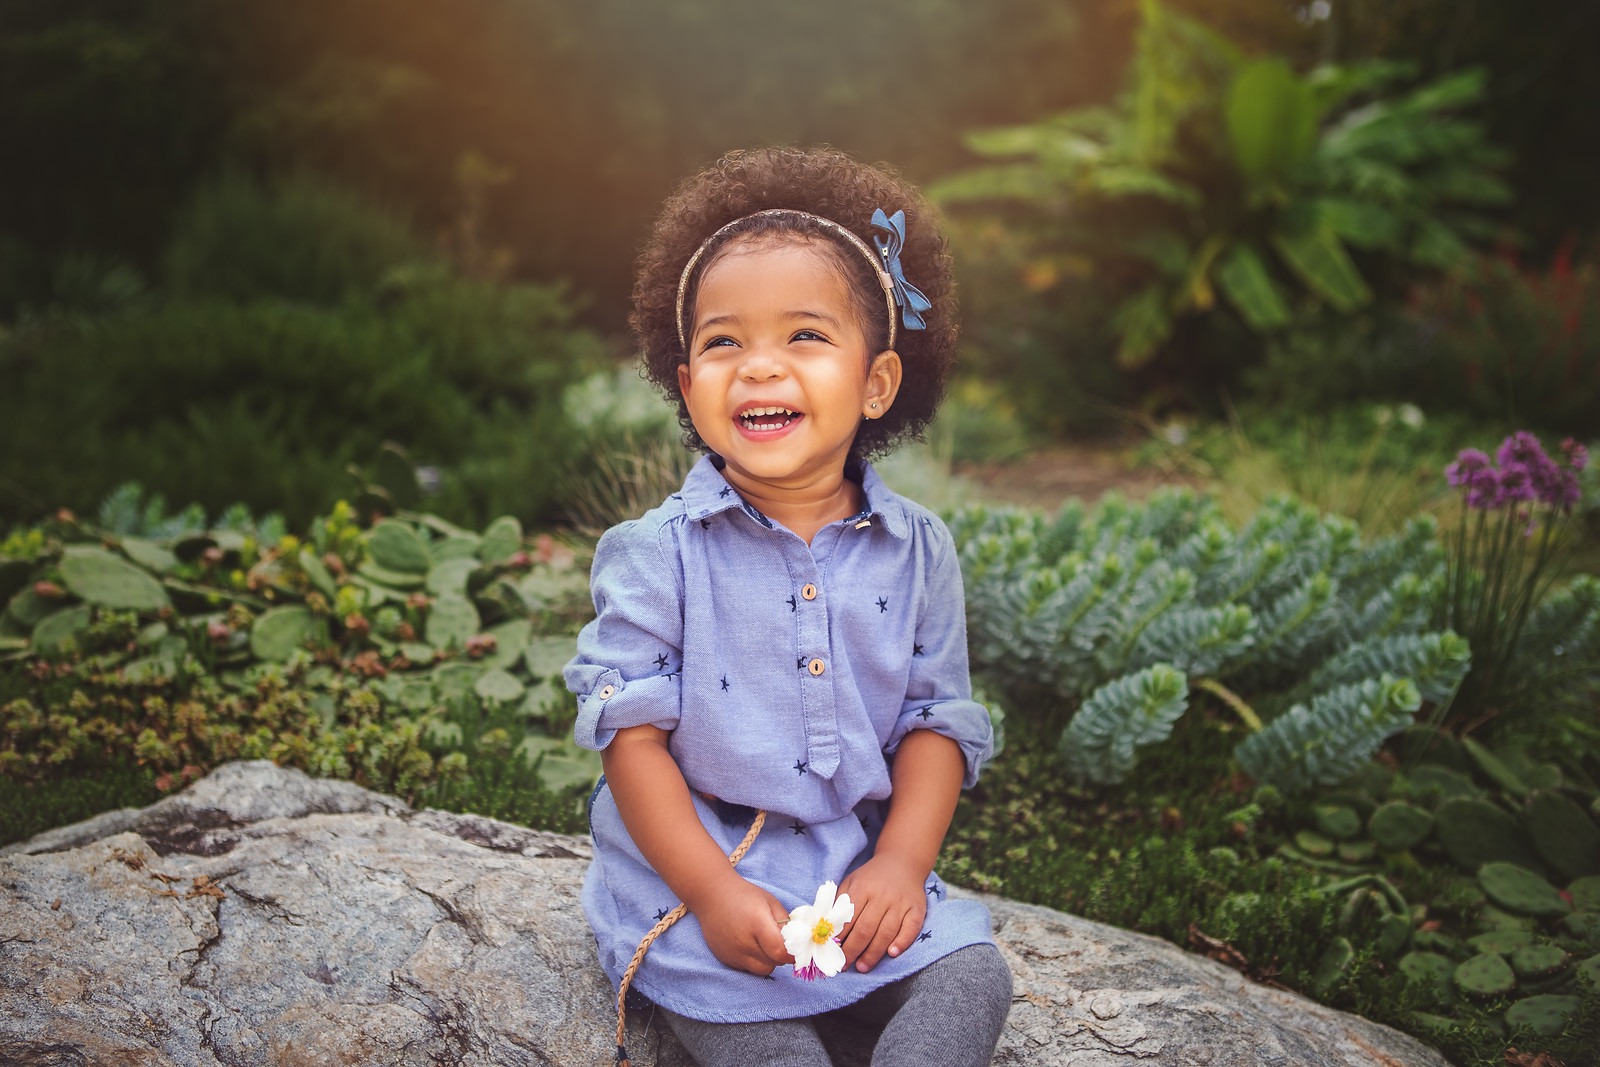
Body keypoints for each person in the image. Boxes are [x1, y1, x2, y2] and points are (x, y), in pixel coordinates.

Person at [564, 145, 1012, 1067]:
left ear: (877, 382)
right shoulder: (658, 553)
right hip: (697, 877)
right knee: (770, 1041)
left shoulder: (919, 546)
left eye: (805, 336)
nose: (759, 367)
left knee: (974, 975)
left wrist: (900, 866)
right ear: (688, 385)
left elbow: (936, 719)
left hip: (849, 865)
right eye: (723, 342)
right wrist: (715, 893)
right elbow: (629, 738)